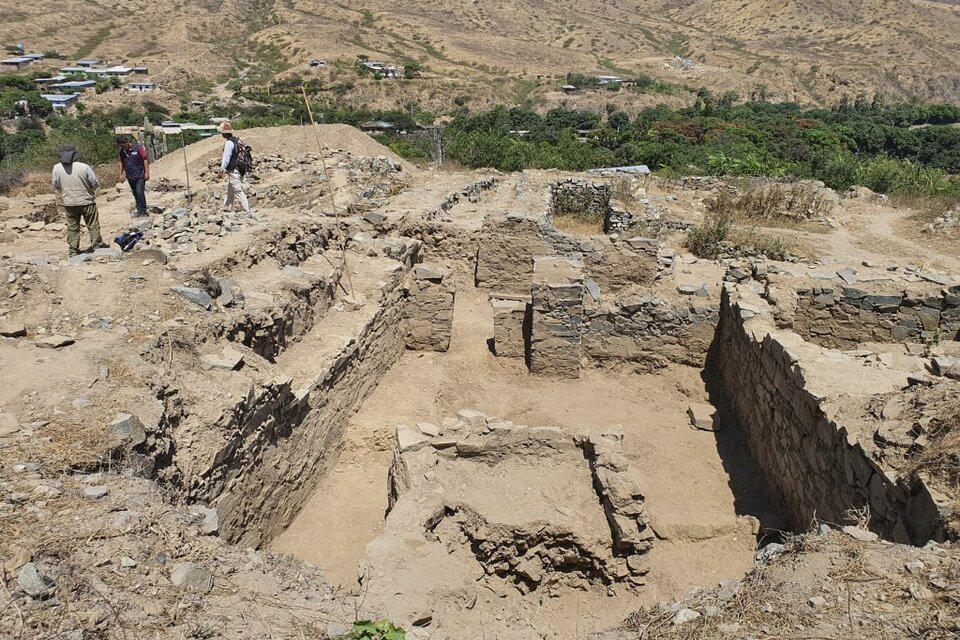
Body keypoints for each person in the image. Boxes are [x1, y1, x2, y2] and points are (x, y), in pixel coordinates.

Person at [51, 145, 106, 257]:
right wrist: (91, 189)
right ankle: (96, 246)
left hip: (68, 202)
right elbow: (93, 183)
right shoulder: (84, 167)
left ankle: (73, 250)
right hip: (86, 200)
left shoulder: (57, 167)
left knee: (72, 227)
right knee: (92, 224)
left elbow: (55, 184)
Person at [216, 121, 250, 213]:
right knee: (230, 190)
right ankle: (227, 207)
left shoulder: (229, 143)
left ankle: (247, 210)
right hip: (240, 169)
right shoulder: (237, 141)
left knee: (238, 191)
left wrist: (221, 170)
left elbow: (226, 158)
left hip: (234, 170)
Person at [116, 134, 150, 217]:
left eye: (123, 145)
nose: (122, 147)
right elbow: (121, 163)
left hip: (140, 175)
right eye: (120, 146)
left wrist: (147, 173)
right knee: (135, 193)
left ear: (127, 142)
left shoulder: (138, 148)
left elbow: (145, 160)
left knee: (139, 192)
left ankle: (143, 211)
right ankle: (139, 209)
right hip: (130, 176)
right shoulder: (122, 152)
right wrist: (120, 174)